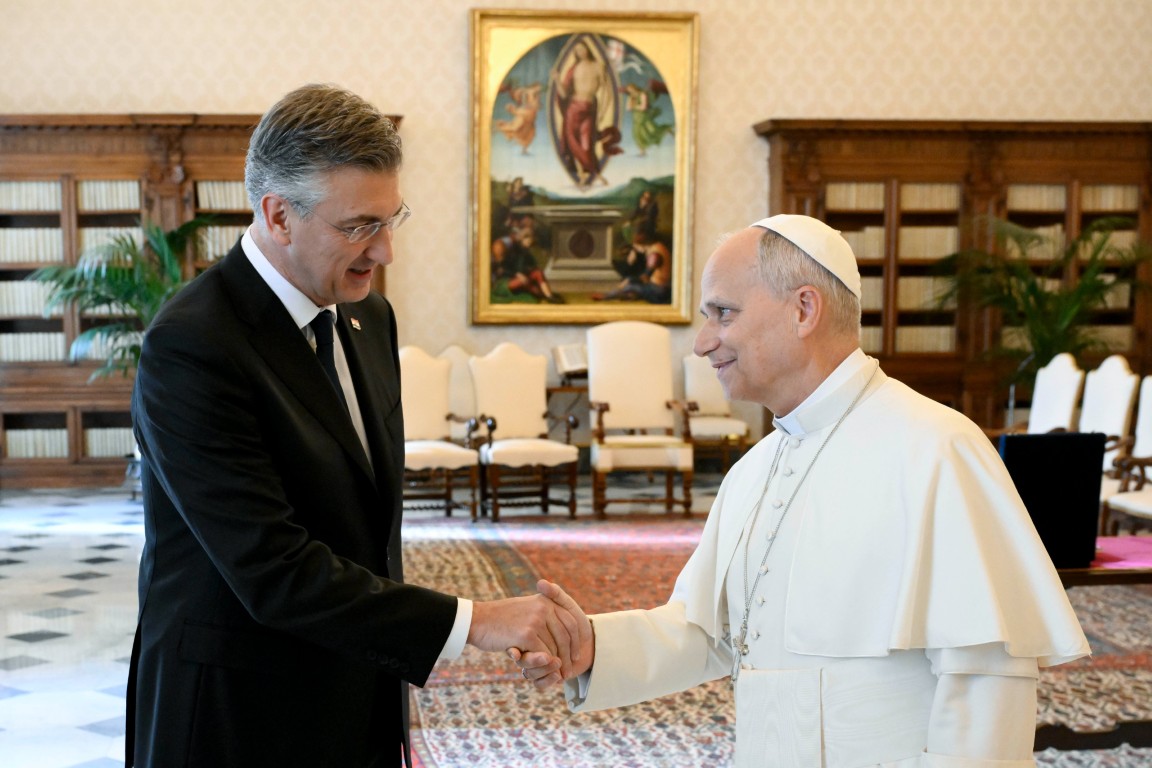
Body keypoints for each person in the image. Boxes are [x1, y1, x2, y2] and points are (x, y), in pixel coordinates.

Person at [127, 84, 588, 768]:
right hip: (238, 717)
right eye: (358, 227)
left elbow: (366, 530)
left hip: (361, 697)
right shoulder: (194, 345)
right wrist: (477, 621)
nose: (386, 251)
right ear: (278, 215)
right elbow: (274, 570)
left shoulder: (370, 317)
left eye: (390, 218)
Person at [521, 214, 1091, 766]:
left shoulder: (937, 448)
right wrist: (593, 646)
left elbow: (987, 678)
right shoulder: (755, 468)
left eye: (723, 313)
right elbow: (711, 631)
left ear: (803, 309)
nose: (702, 342)